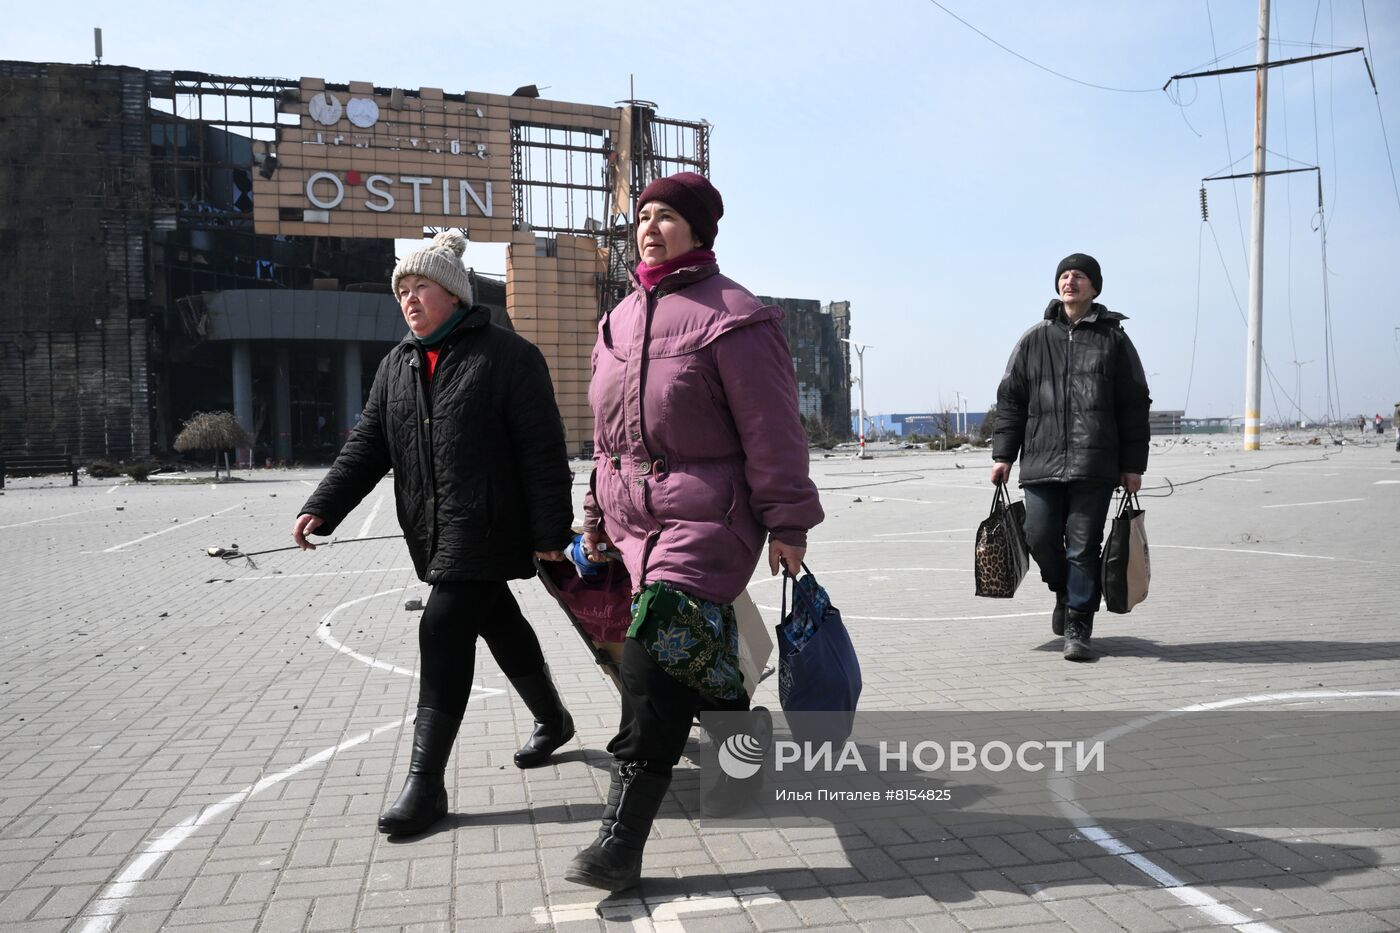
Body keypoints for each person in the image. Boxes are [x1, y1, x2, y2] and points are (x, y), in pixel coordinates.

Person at [565, 172, 824, 891]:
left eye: (668, 217)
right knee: (682, 657)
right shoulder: (615, 321)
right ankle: (741, 737)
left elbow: (775, 431)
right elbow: (604, 435)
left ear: (701, 231)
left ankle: (619, 842)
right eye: (643, 215)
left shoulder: (737, 317)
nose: (650, 227)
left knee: (649, 668)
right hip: (630, 523)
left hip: (710, 517)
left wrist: (788, 519)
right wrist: (593, 514)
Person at [291, 232, 576, 836]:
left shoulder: (507, 357)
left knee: (443, 623)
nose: (409, 299)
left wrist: (552, 530)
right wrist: (324, 506)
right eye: (402, 289)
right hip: (433, 526)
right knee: (494, 615)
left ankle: (426, 784)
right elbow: (368, 446)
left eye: (420, 286)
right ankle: (553, 719)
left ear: (453, 294)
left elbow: (543, 453)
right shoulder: (397, 365)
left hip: (492, 523)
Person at [990, 253, 1151, 661]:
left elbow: (1134, 405)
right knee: (1039, 537)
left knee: (1083, 546)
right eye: (1064, 275)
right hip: (1042, 461)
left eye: (1079, 276)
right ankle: (1065, 591)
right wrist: (1003, 455)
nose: (1070, 281)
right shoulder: (1034, 339)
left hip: (1095, 464)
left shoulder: (1114, 340)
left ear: (1094, 287)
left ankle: (1079, 621)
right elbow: (1011, 401)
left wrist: (1133, 466)